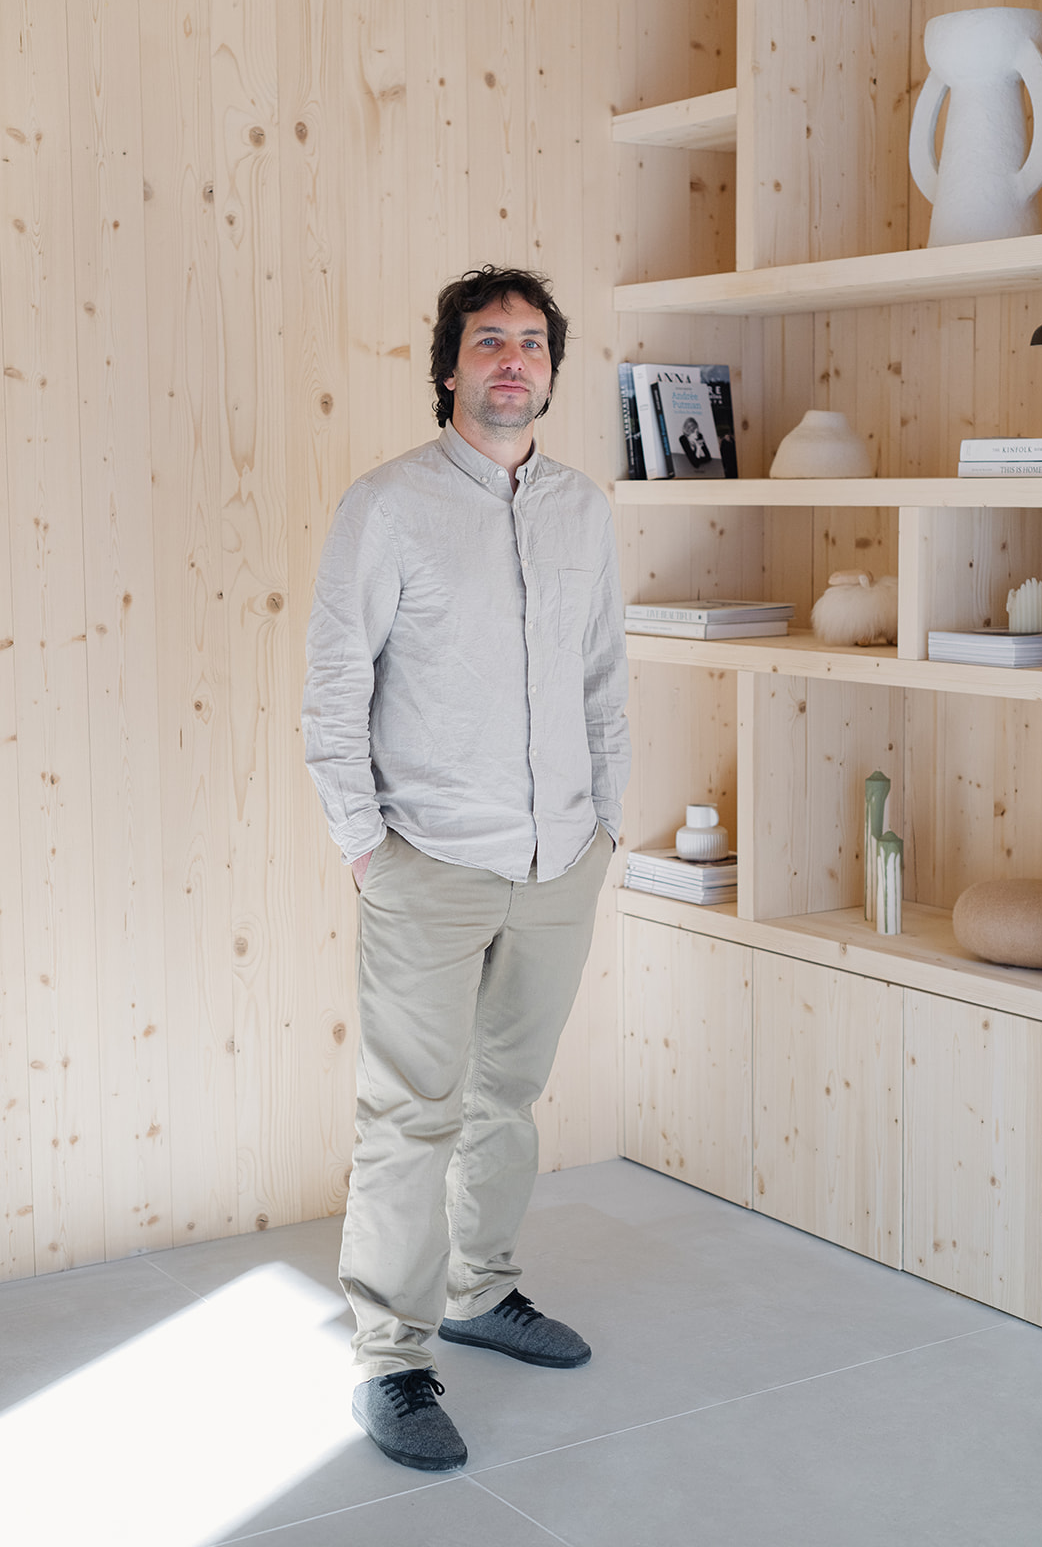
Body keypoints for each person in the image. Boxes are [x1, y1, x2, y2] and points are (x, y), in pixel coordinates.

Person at [302, 265, 630, 1473]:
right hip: (425, 862)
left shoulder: (583, 511)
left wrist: (605, 827)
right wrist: (361, 842)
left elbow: (603, 678)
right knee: (408, 1112)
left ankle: (480, 1291)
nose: (511, 361)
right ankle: (391, 1355)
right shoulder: (386, 505)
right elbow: (335, 685)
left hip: (560, 863)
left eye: (531, 344)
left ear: (551, 369)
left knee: (507, 1099)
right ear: (448, 366)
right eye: (487, 342)